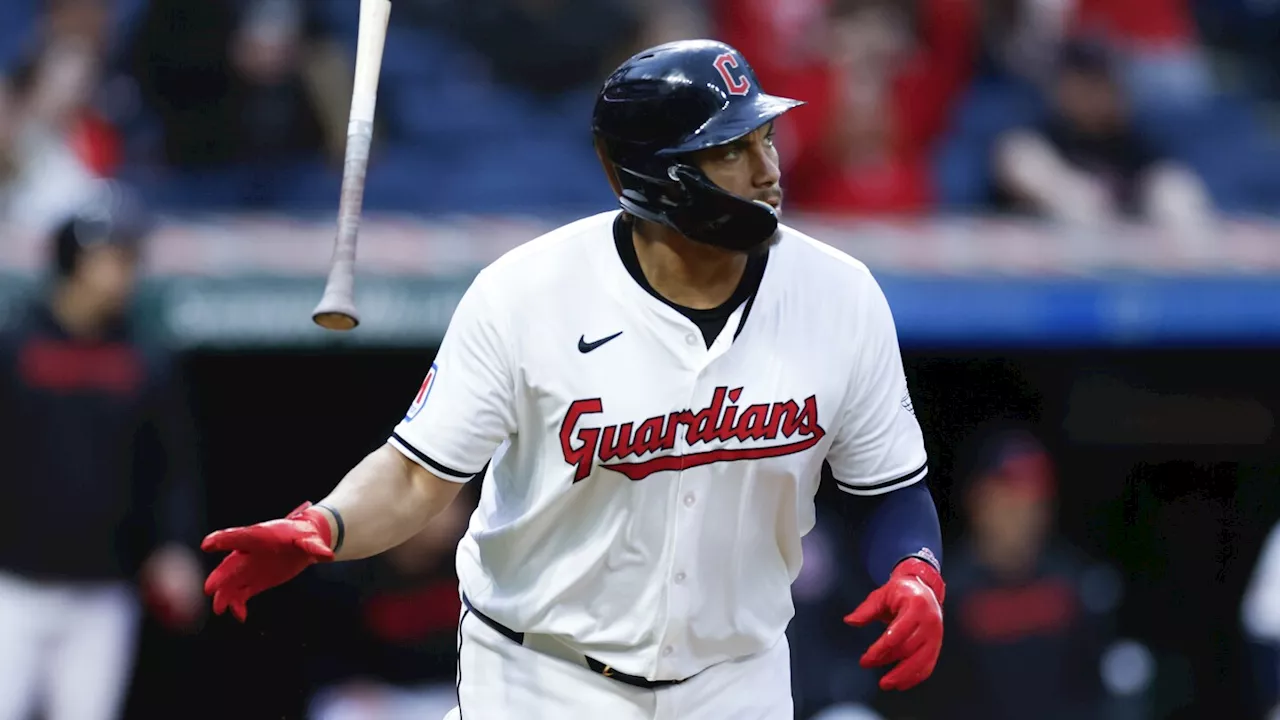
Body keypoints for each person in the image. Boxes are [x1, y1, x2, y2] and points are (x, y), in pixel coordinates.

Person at [201, 40, 946, 719]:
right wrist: (325, 524)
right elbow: (414, 479)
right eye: (729, 151)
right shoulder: (528, 294)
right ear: (655, 175)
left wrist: (916, 569)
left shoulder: (840, 295)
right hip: (544, 675)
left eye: (765, 138)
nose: (767, 170)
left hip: (736, 676)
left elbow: (892, 490)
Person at [0, 180, 206, 720]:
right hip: (13, 586)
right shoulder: (15, 343)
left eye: (129, 258)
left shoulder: (145, 356)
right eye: (110, 257)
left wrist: (173, 546)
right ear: (74, 258)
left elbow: (172, 467)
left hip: (102, 591)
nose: (122, 273)